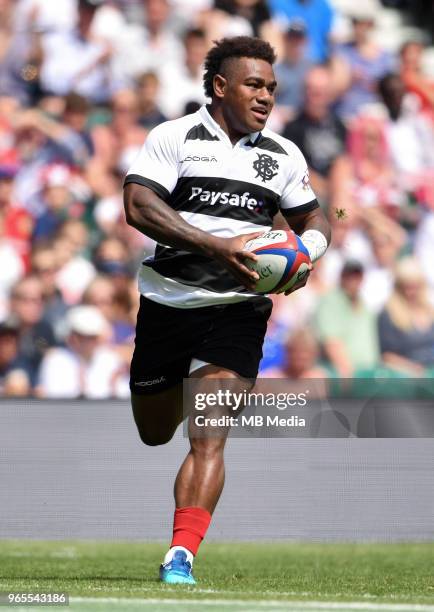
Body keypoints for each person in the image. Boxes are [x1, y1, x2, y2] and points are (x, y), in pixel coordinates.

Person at [123, 36, 330, 585]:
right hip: (168, 303)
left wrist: (305, 254)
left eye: (271, 87)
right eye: (253, 84)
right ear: (220, 86)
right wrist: (218, 246)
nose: (265, 96)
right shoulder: (174, 137)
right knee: (154, 429)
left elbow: (317, 219)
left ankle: (181, 555)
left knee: (209, 429)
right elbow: (138, 205)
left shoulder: (283, 155)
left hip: (238, 309)